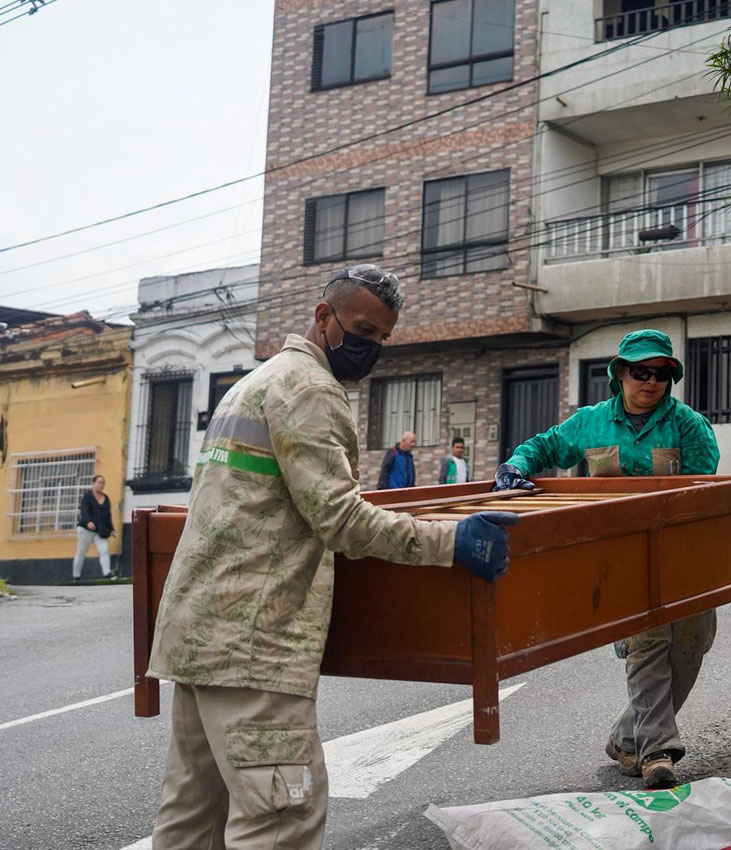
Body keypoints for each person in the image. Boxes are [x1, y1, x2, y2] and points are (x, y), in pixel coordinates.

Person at [146, 264, 518, 850]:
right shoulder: (312, 390)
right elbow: (341, 518)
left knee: (193, 822)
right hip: (254, 645)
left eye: (381, 339)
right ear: (324, 318)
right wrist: (452, 541)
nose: (370, 348)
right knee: (279, 820)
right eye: (363, 330)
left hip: (200, 635)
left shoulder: (254, 382)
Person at [492, 328, 720, 790]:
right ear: (620, 374)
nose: (651, 382)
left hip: (682, 554)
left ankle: (625, 738)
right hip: (620, 559)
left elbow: (705, 488)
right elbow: (544, 447)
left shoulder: (689, 426)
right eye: (641, 372)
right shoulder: (591, 422)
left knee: (693, 643)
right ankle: (658, 751)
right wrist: (516, 466)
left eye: (660, 374)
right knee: (648, 641)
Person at [72, 474, 114, 581]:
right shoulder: (88, 496)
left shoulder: (106, 498)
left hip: (100, 531)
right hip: (86, 529)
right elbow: (84, 510)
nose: (101, 485)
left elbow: (108, 515)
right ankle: (76, 575)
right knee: (81, 552)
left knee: (104, 550)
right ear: (93, 483)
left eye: (103, 483)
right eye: (99, 482)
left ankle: (107, 573)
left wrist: (111, 529)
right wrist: (88, 521)